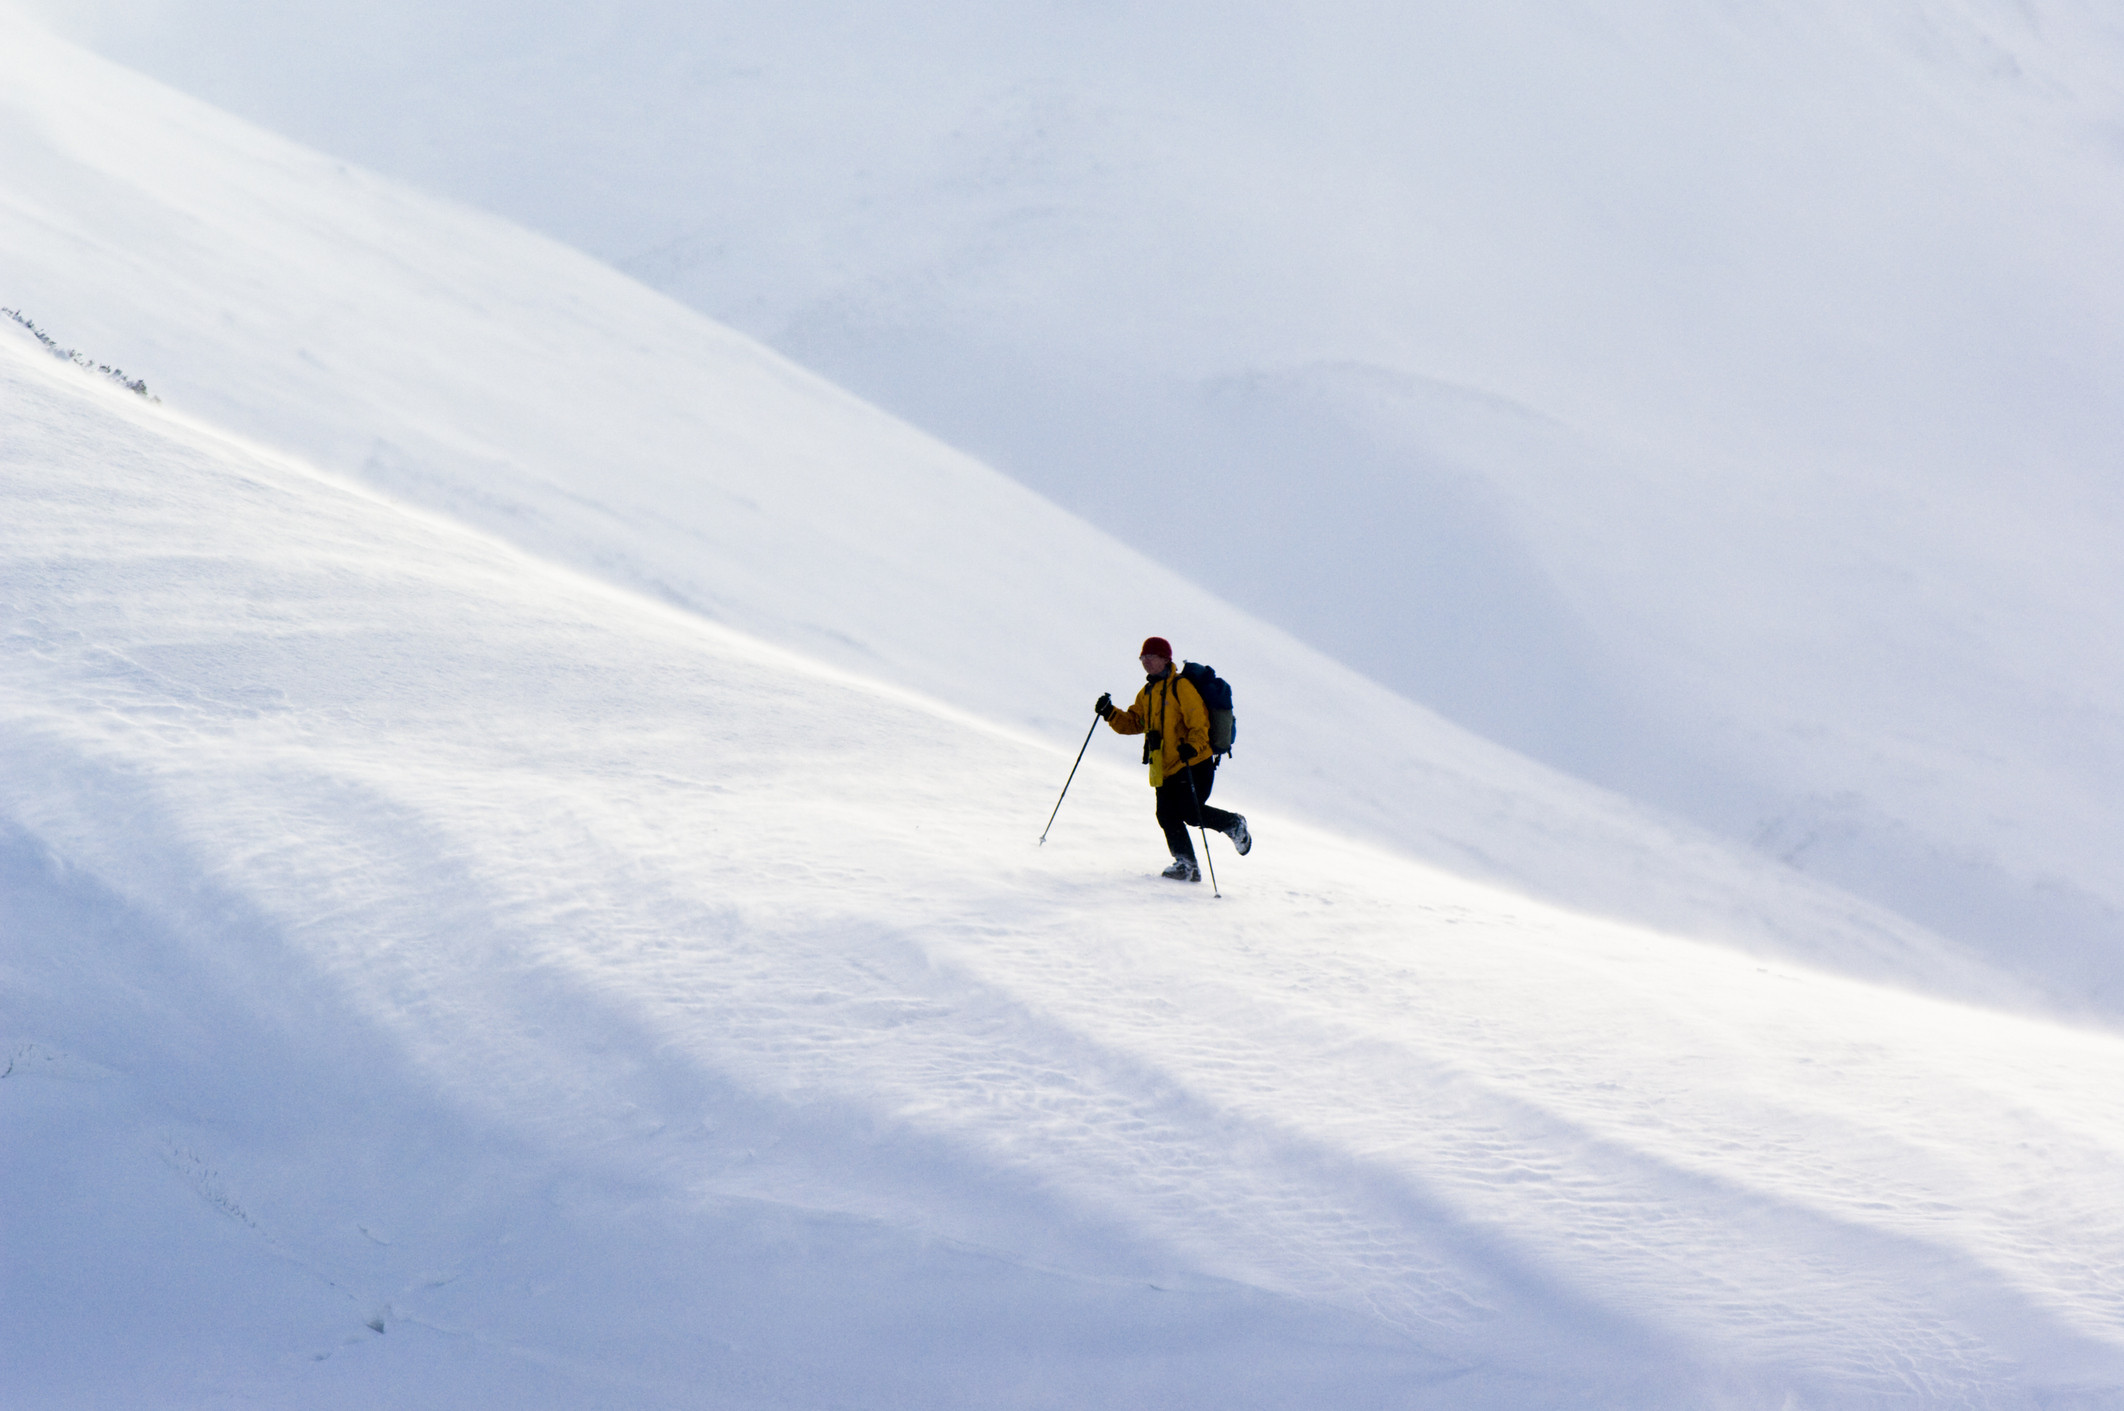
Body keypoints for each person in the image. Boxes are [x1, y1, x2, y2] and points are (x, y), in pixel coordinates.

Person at [1096, 637, 1252, 881]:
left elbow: (1199, 723)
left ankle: (1233, 823)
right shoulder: (1147, 693)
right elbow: (1135, 723)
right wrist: (1110, 713)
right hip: (1164, 766)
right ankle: (1186, 865)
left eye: (1151, 657)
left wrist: (1193, 746)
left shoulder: (1182, 687)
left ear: (1165, 659)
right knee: (1166, 814)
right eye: (1143, 658)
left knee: (1189, 811)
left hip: (1194, 761)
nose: (1146, 662)